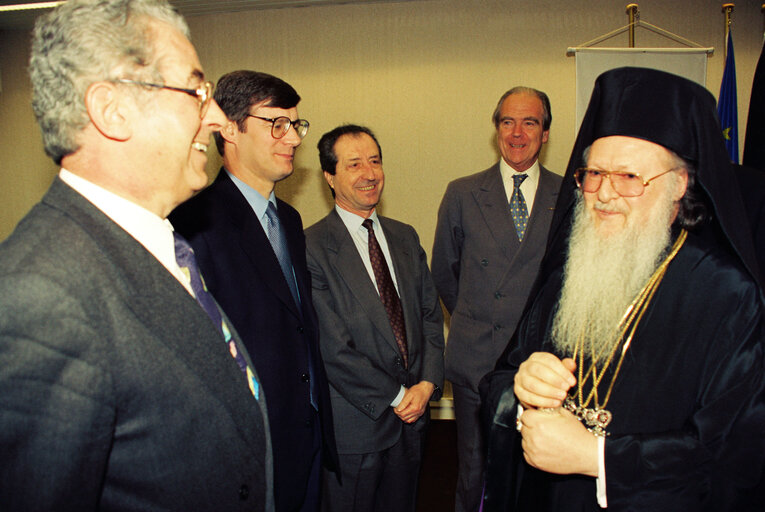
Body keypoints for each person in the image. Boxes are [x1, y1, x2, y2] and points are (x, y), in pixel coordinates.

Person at [0, 1, 274, 511]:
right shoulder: (39, 296)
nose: (214, 117)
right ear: (112, 110)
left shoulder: (162, 246)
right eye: (196, 91)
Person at [480, 67, 765, 511]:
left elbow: (735, 451)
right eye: (593, 174)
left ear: (679, 185)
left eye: (628, 177)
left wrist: (598, 457)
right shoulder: (568, 272)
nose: (604, 194)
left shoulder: (728, 293)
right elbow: (499, 376)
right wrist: (520, 387)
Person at [170, 70, 338, 512]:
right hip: (250, 442)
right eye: (276, 124)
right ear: (230, 129)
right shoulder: (194, 222)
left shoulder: (290, 220)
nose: (294, 138)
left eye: (296, 125)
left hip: (308, 429)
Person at [431, 86, 561, 512]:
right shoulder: (463, 193)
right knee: (475, 473)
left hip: (546, 367)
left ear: (545, 133)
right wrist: (481, 318)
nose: (517, 133)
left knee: (540, 474)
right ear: (496, 130)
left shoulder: (571, 196)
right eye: (507, 121)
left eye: (530, 122)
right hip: (476, 363)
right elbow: (445, 275)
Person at [305, 125, 444, 512]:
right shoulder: (312, 247)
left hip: (413, 422)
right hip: (357, 426)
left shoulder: (405, 237)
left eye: (375, 161)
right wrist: (398, 396)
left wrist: (427, 383)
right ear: (330, 177)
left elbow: (431, 317)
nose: (369, 173)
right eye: (354, 164)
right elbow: (332, 348)